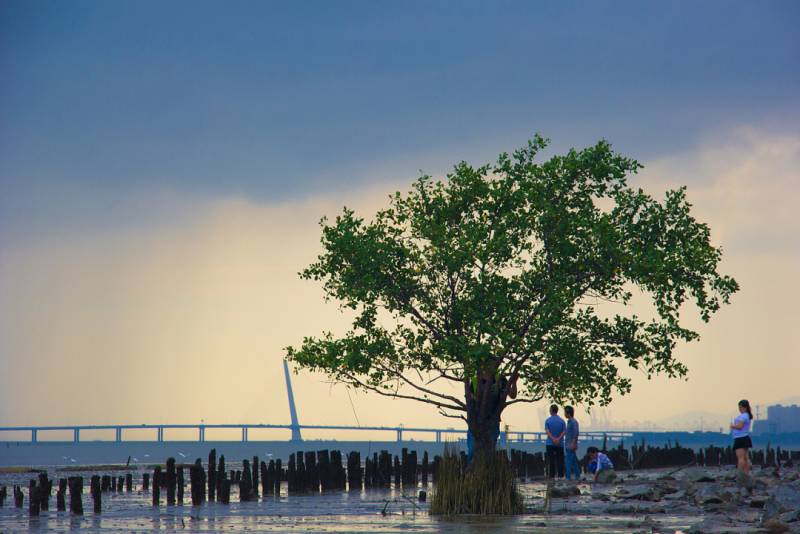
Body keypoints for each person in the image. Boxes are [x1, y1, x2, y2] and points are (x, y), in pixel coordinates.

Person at [465, 374, 517, 464]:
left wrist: (514, 382)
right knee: (473, 449)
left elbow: (512, 395)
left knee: (489, 450)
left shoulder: (500, 379)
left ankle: (486, 473)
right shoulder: (475, 380)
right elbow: (470, 397)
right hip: (476, 421)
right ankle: (472, 474)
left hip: (493, 420)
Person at [730, 399, 753, 475]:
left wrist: (732, 426)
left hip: (740, 438)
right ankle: (746, 474)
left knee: (740, 458)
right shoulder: (746, 415)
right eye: (739, 407)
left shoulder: (744, 416)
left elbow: (740, 426)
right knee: (746, 458)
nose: (740, 409)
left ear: (745, 407)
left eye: (741, 407)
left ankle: (740, 474)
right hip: (745, 437)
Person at [544, 404, 566, 478]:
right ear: (557, 411)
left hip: (550, 443)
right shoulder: (562, 421)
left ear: (551, 411)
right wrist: (558, 439)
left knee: (551, 460)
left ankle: (552, 476)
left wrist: (553, 439)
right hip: (560, 444)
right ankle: (560, 475)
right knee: (560, 460)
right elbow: (564, 432)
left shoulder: (548, 421)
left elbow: (547, 431)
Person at [564, 405, 581, 480]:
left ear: (568, 413)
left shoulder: (573, 422)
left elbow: (576, 433)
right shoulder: (569, 422)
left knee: (568, 462)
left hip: (570, 445)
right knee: (574, 462)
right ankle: (577, 476)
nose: (564, 414)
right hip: (569, 444)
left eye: (565, 412)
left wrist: (573, 444)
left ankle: (568, 477)